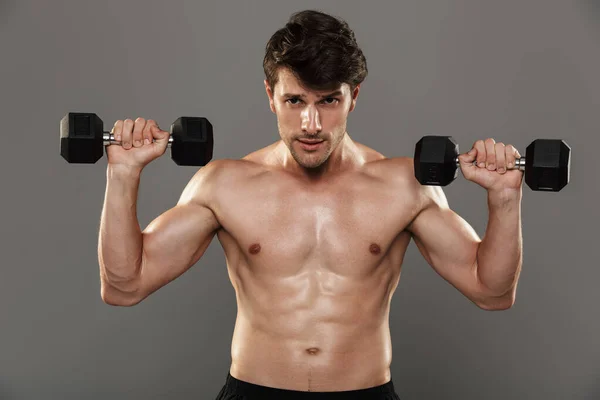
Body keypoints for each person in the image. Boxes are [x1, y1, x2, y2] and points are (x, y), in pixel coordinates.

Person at [97, 9, 524, 399]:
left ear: (353, 96)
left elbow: (491, 291)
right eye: (295, 100)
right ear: (270, 95)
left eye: (328, 101)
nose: (311, 125)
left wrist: (504, 198)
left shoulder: (404, 187)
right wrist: (123, 174)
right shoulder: (224, 186)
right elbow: (125, 285)